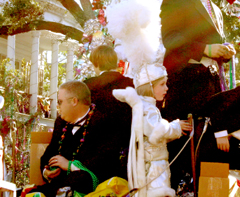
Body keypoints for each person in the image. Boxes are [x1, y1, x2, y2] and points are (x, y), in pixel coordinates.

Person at [160, 0, 235, 189]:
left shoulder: (215, 9)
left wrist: (224, 49)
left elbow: (213, 43)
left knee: (209, 145)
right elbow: (170, 39)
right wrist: (205, 48)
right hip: (185, 83)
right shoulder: (174, 1)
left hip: (210, 84)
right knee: (183, 146)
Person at [26, 81, 125, 197]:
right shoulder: (60, 122)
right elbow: (50, 151)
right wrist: (46, 171)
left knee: (80, 180)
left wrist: (70, 165)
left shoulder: (103, 122)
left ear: (74, 101)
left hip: (89, 185)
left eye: (60, 102)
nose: (58, 107)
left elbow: (104, 160)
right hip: (60, 183)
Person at [113, 63, 192, 197]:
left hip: (152, 164)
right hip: (153, 166)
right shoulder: (147, 108)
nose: (166, 88)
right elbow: (156, 132)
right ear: (149, 86)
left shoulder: (145, 105)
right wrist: (176, 126)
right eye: (162, 84)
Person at [84, 45, 134, 178]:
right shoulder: (130, 83)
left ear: (96, 63)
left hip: (95, 147)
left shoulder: (88, 85)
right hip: (126, 145)